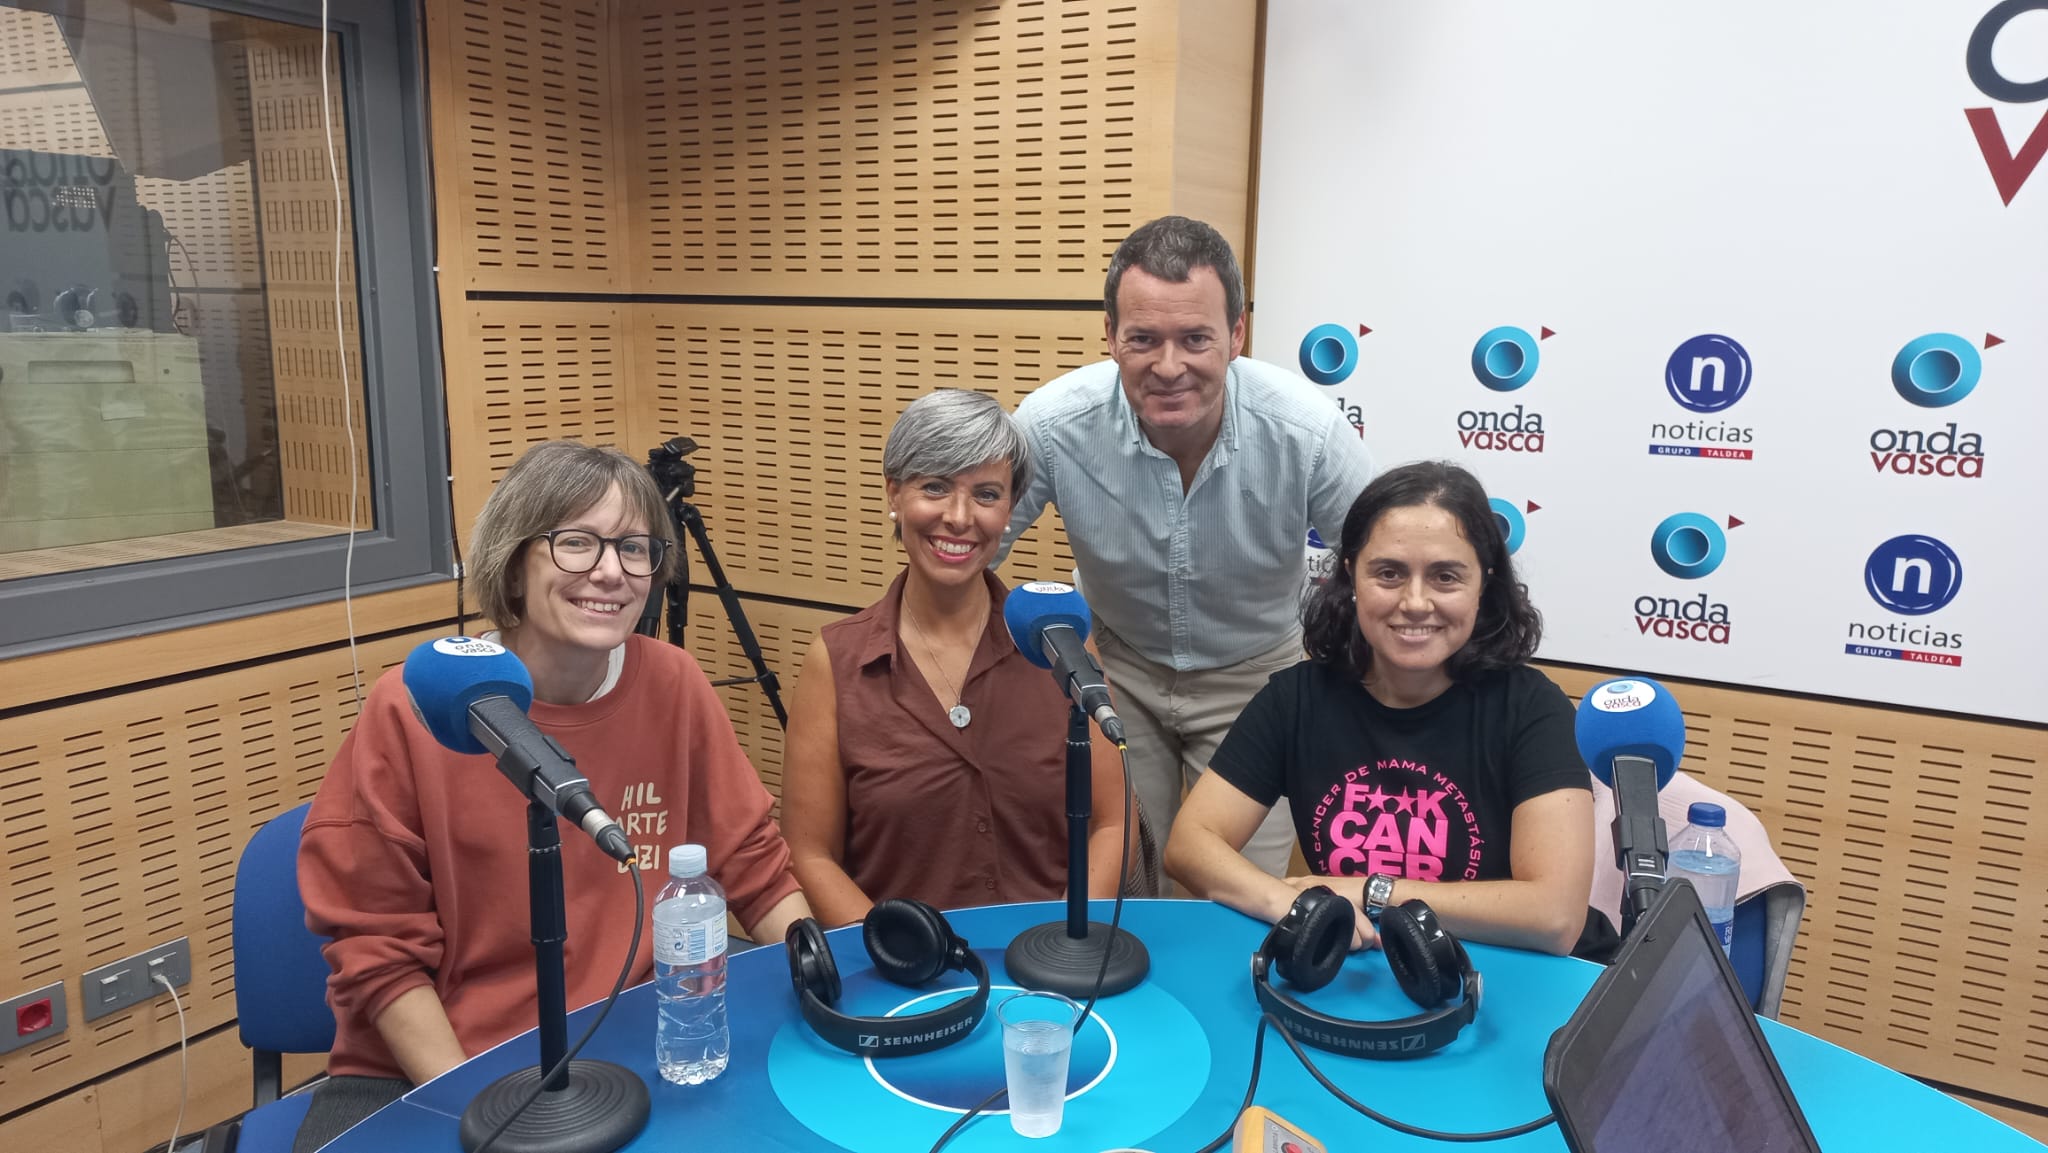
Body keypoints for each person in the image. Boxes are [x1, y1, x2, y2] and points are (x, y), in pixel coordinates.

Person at [293, 440, 811, 1151]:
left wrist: (821, 984)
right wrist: (480, 1121)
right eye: (576, 543)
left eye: (635, 548)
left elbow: (755, 867)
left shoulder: (675, 684)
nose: (609, 571)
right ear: (514, 560)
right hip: (441, 1073)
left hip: (626, 1039)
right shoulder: (412, 707)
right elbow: (378, 952)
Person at [998, 215, 1375, 880]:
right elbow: (973, 545)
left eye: (1195, 338)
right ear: (1109, 335)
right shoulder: (1053, 425)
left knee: (1226, 901)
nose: (1168, 366)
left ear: (1236, 335)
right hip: (1117, 671)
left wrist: (1343, 692)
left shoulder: (1307, 431)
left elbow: (1383, 569)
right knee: (1127, 890)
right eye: (1142, 338)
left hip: (1257, 680)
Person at [1163, 461, 1593, 955]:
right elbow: (1191, 844)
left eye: (1445, 577)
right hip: (1349, 970)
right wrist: (1288, 904)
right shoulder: (1296, 698)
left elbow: (1557, 917)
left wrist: (1372, 893)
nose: (1414, 602)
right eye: (1388, 574)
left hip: (1490, 975)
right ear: (1350, 575)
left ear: (1484, 584)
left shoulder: (1533, 708)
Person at [782, 389, 1139, 927]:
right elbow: (810, 855)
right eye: (934, 487)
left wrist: (1062, 935)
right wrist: (896, 952)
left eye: (987, 494)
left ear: (1010, 509)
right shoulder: (835, 661)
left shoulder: (1061, 641)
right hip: (901, 978)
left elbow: (1114, 824)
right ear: (894, 494)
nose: (958, 517)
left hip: (1044, 968)